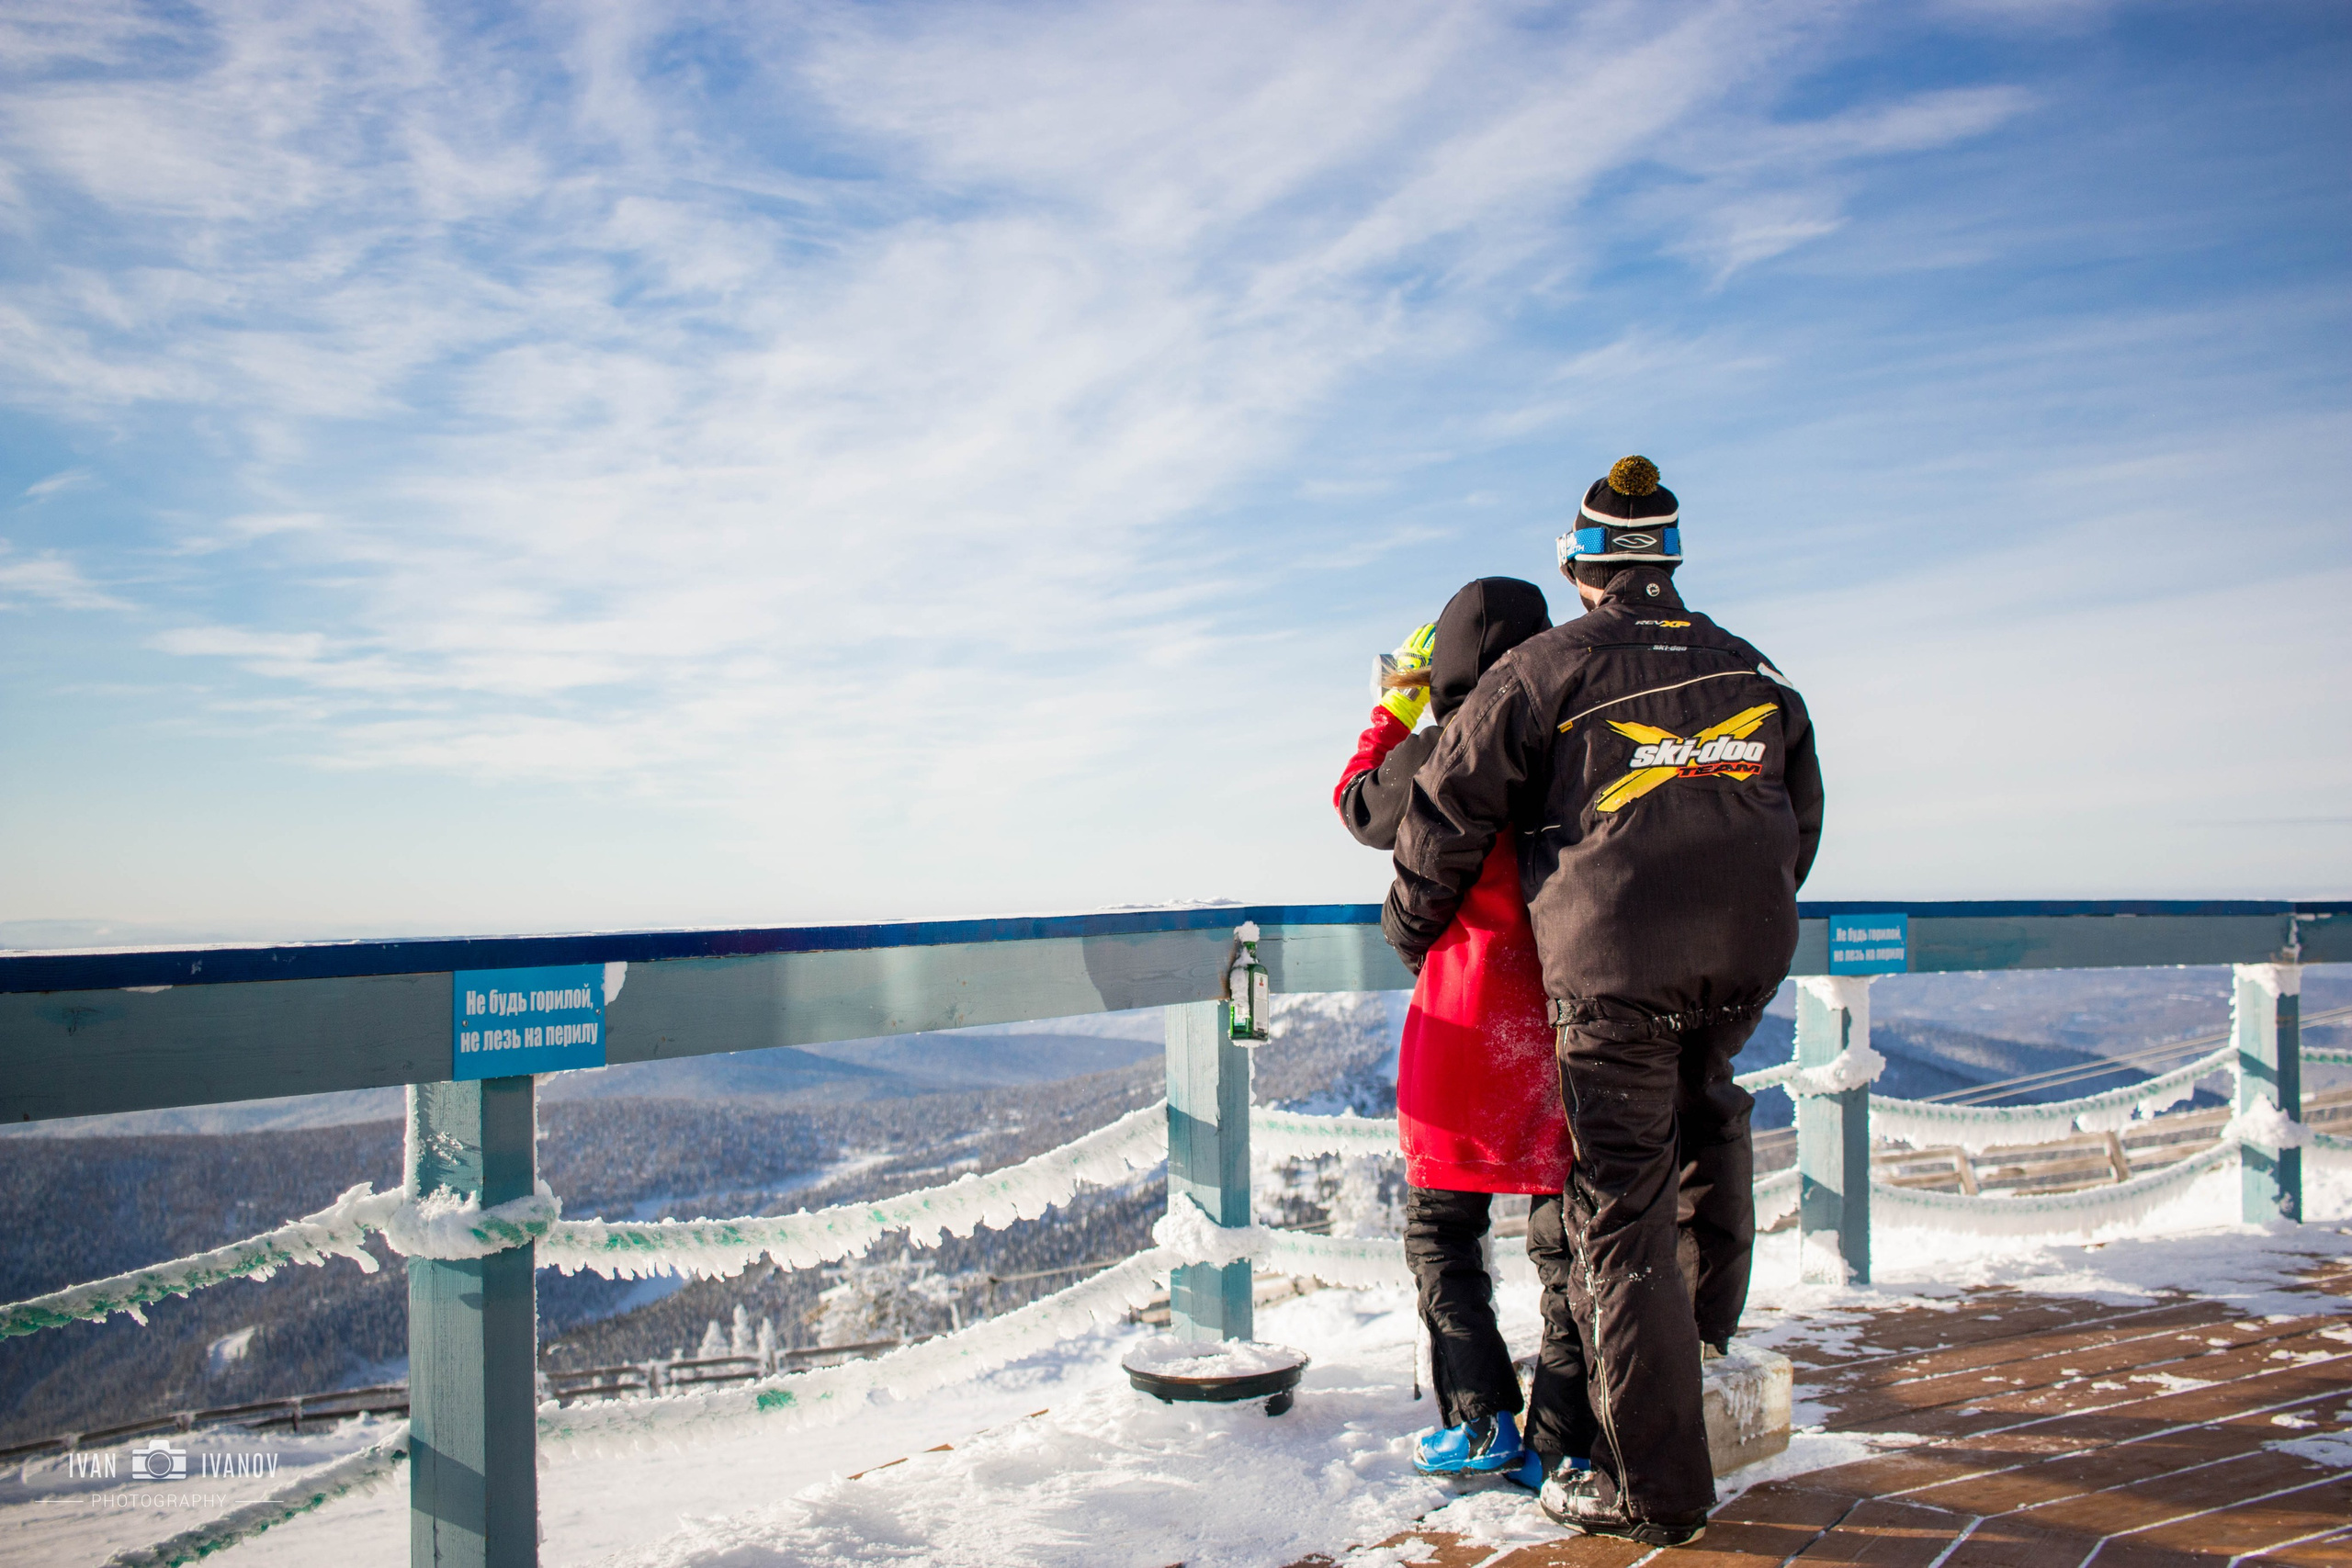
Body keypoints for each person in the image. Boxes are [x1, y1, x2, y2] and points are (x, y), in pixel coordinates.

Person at [1384, 458, 1824, 1547]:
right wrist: (1743, 926)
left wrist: (1410, 927)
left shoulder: (1544, 670)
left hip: (1614, 972)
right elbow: (1800, 818)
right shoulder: (1753, 668)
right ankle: (1701, 1354)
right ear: (1668, 559)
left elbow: (1442, 808)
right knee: (1708, 1137)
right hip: (1738, 964)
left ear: (1580, 565)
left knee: (1619, 1216)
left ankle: (1652, 1487)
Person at [1334, 578, 1593, 1490]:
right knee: (1566, 1240)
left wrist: (1393, 706)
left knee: (1443, 1231)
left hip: (1463, 1023)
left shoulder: (1440, 748)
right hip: (1565, 1020)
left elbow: (1357, 803)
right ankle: (1564, 1437)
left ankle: (1481, 1420)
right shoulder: (1577, 744)